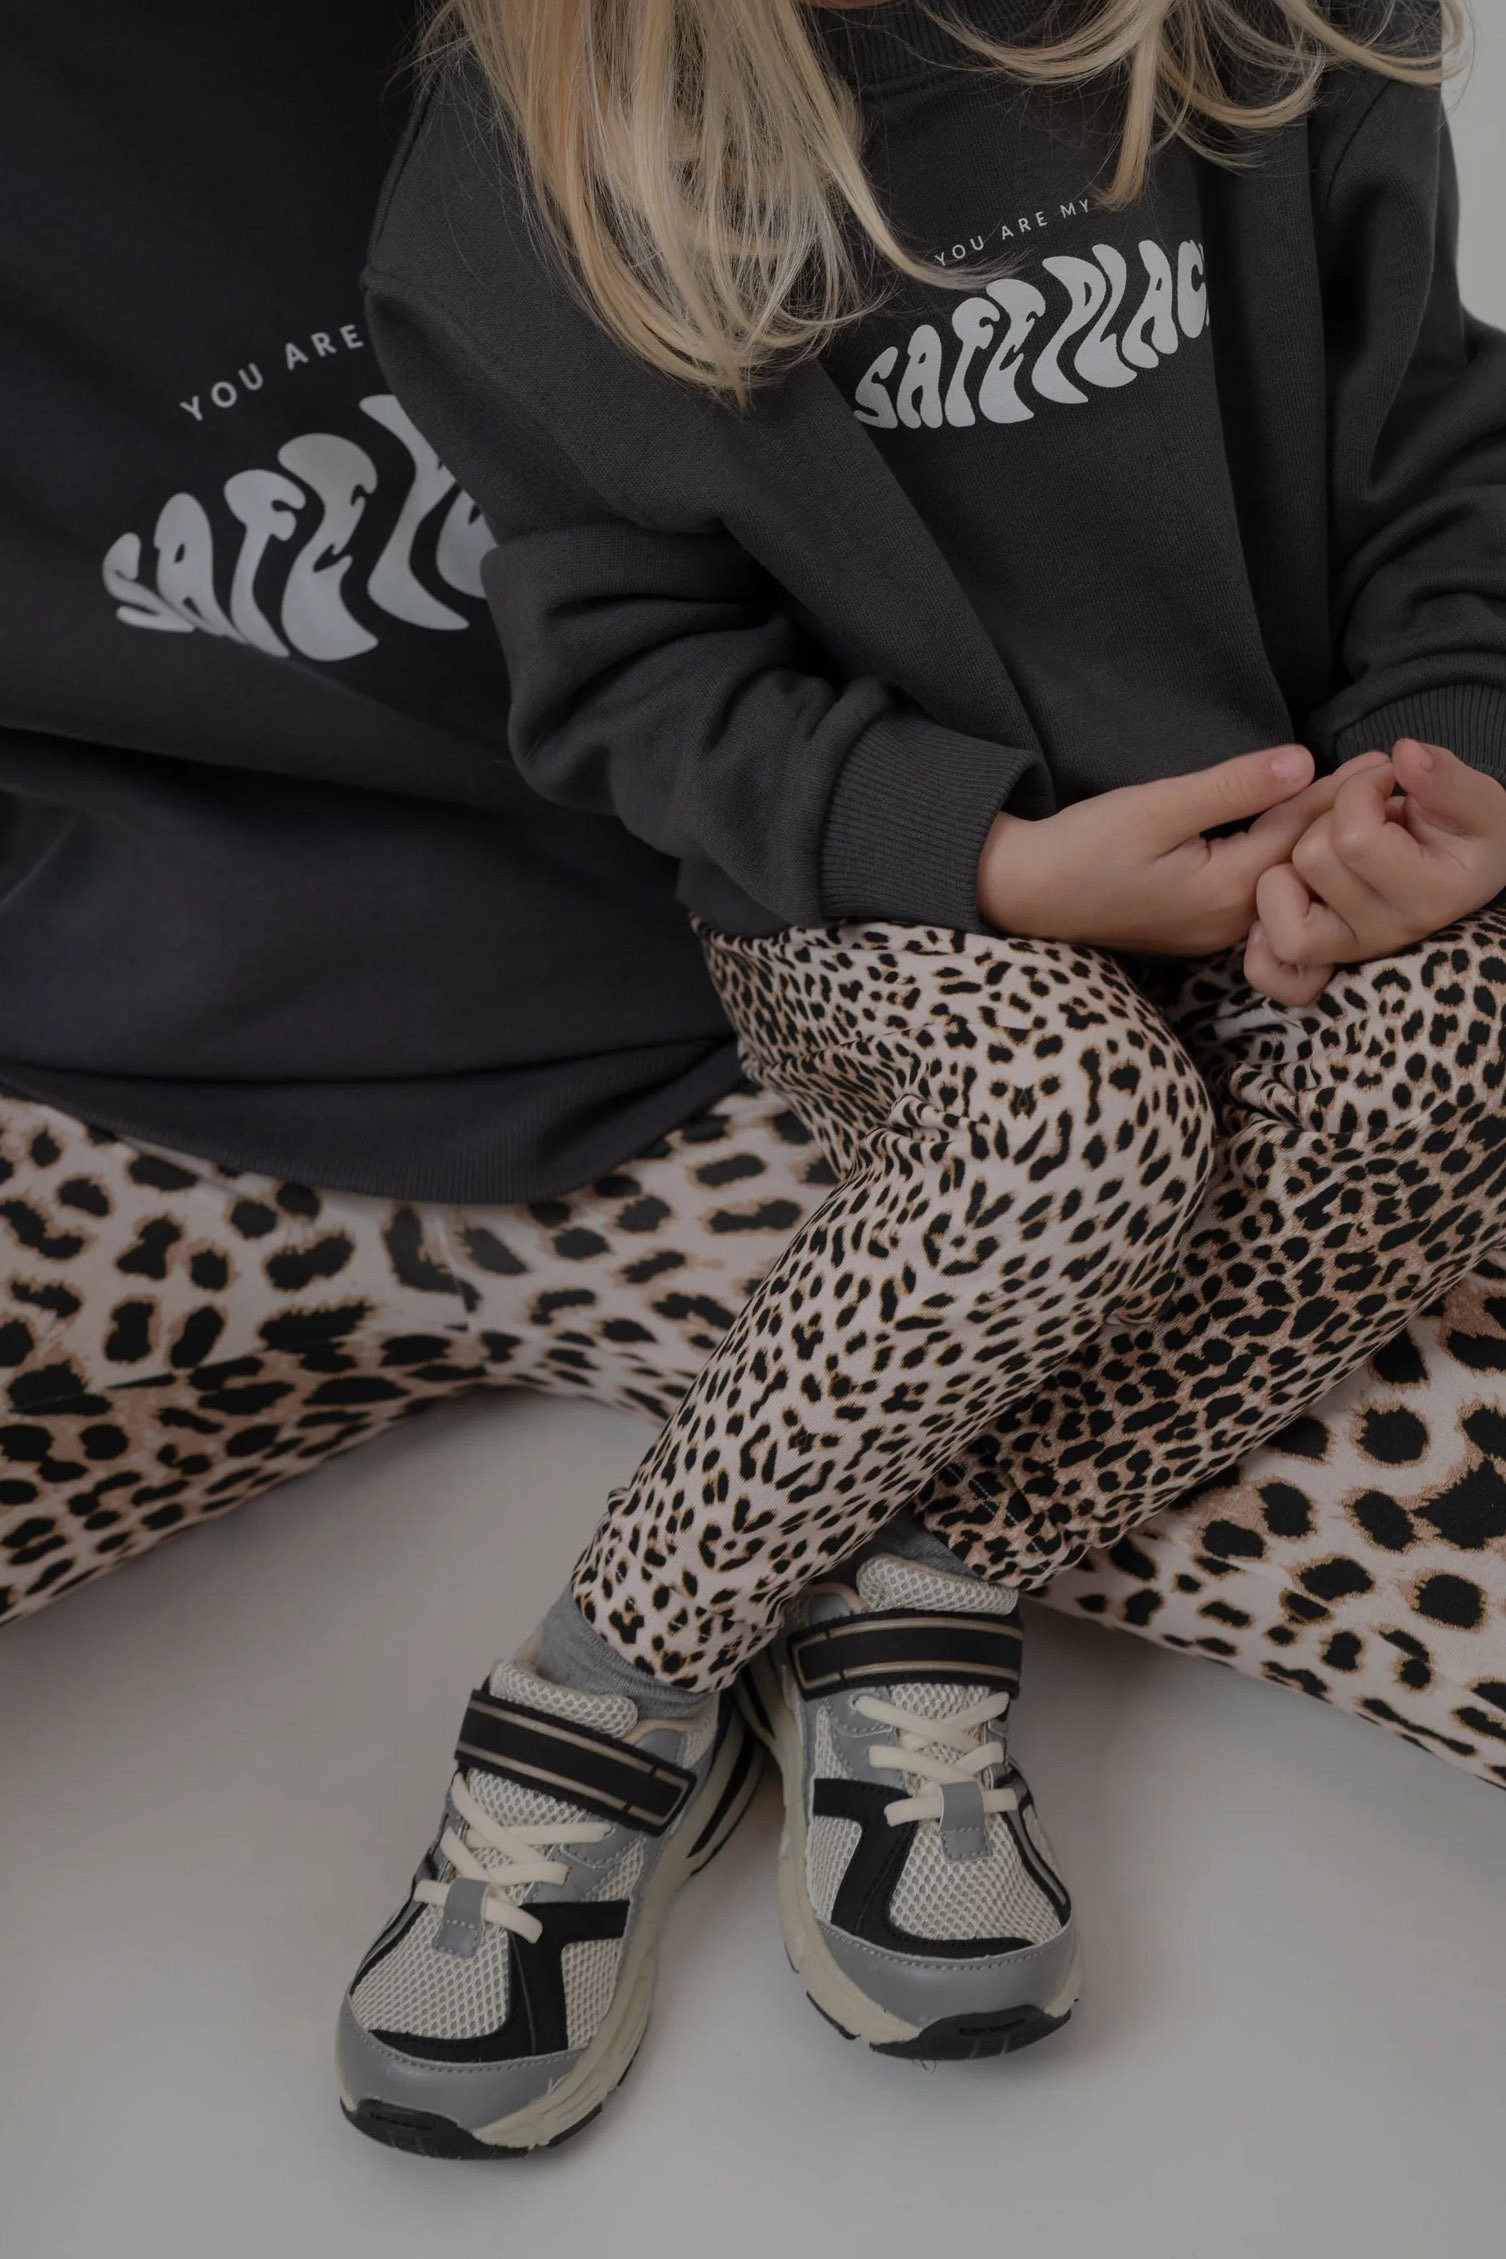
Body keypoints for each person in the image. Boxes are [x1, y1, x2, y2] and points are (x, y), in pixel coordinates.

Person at [2, 0, 1502, 2162]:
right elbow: (630, 677)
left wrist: (1447, 768)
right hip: (856, 902)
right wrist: (985, 863)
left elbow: (1441, 430)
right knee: (1081, 1124)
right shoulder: (531, 163)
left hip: (1289, 850)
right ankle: (602, 1685)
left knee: (1469, 1034)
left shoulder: (1282, 26)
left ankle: (923, 1585)